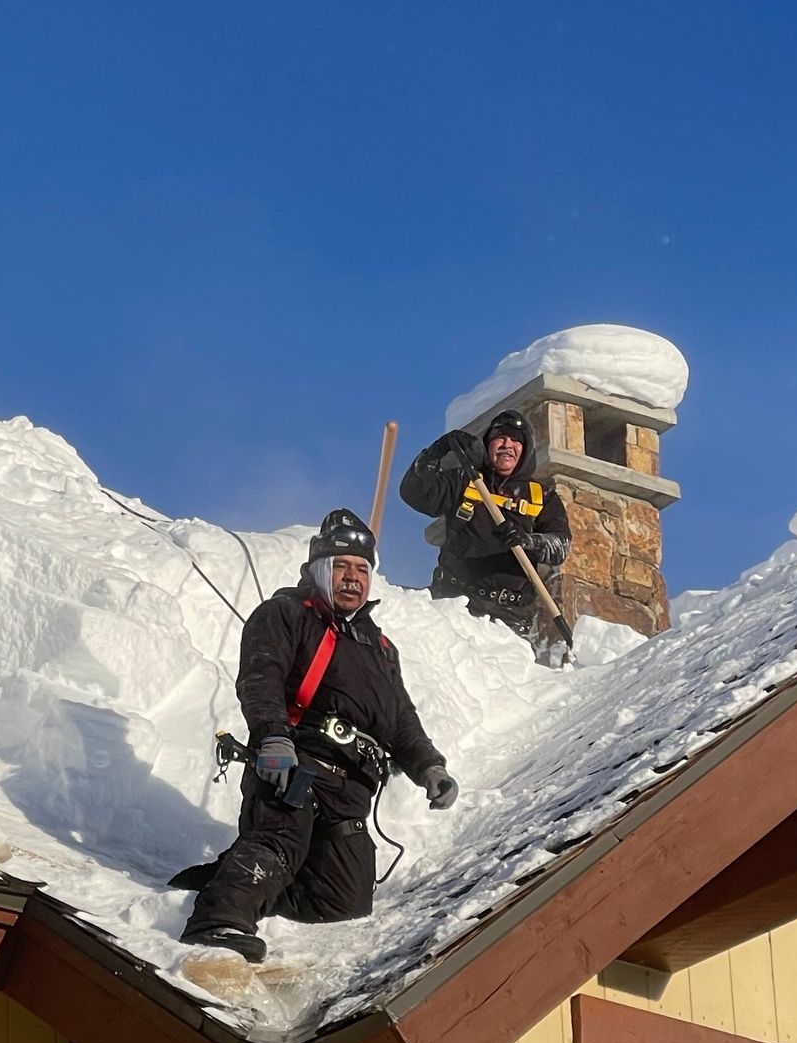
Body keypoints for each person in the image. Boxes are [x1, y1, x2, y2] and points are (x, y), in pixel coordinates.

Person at [178, 508, 457, 965]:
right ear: (318, 570)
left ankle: (242, 880)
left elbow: (400, 717)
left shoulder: (380, 648)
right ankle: (219, 920)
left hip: (351, 790)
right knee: (282, 834)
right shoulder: (286, 615)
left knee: (342, 904)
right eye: (342, 566)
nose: (353, 578)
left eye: (362, 569)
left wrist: (429, 765)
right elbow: (261, 677)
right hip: (298, 764)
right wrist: (273, 738)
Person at [398, 406, 571, 644]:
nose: (507, 444)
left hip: (508, 617)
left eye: (516, 440)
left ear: (526, 449)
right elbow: (414, 492)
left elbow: (560, 546)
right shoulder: (464, 480)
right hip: (453, 602)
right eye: (501, 437)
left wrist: (526, 541)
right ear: (488, 444)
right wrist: (435, 453)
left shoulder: (542, 497)